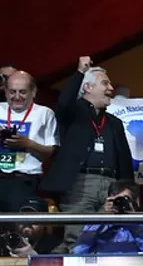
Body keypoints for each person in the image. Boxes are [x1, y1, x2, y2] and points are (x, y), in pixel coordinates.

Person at [43, 57, 132, 253]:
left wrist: (127, 188)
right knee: (78, 239)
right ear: (88, 88)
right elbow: (64, 101)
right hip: (80, 183)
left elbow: (124, 159)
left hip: (111, 185)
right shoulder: (74, 113)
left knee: (110, 238)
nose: (111, 88)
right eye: (105, 83)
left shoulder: (114, 122)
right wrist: (80, 72)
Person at [0, 71, 58, 213]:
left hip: (24, 180)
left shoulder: (45, 113)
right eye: (12, 92)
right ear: (5, 91)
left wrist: (27, 144)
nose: (17, 97)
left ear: (34, 92)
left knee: (17, 229)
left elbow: (51, 152)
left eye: (23, 92)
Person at [72, 181, 143, 254]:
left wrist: (133, 223)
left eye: (124, 199)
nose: (120, 203)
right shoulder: (99, 225)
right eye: (115, 200)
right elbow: (78, 251)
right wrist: (102, 218)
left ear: (136, 201)